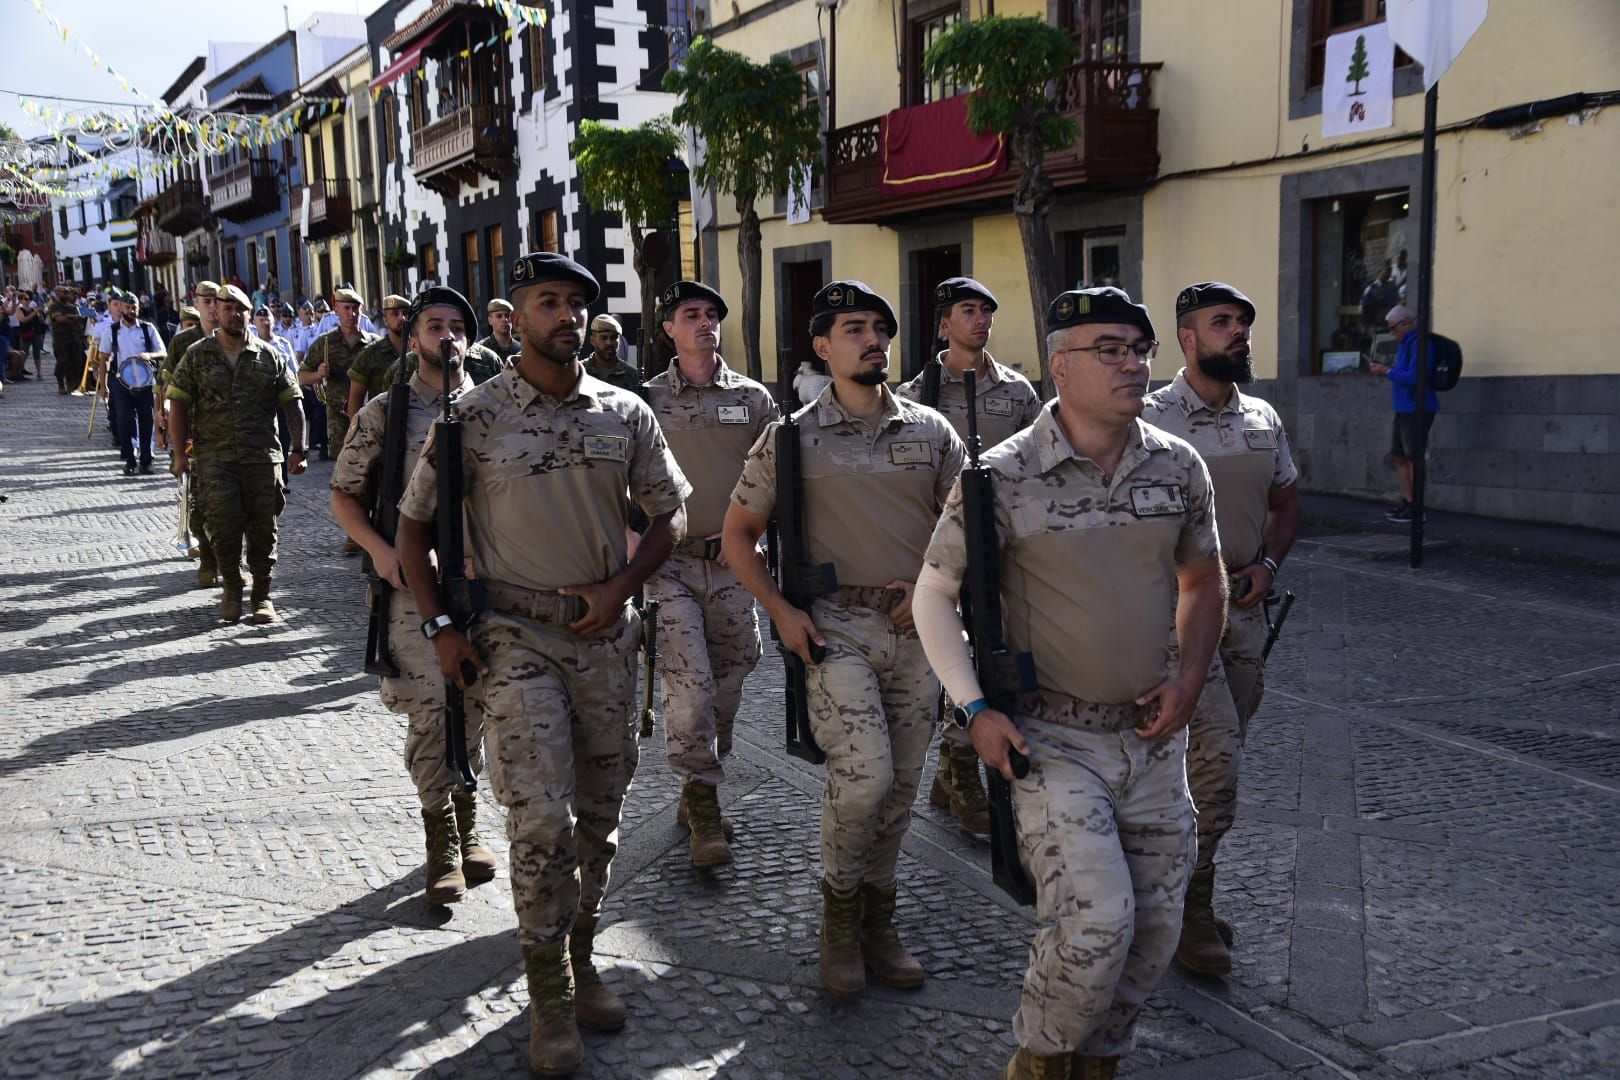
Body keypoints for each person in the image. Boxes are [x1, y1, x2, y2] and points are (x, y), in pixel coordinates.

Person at [912, 286, 1226, 1079]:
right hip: (1052, 742)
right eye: (1109, 350)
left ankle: (1098, 1062)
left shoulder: (1179, 464)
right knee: (1096, 924)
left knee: (1154, 931)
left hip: (1153, 743)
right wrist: (974, 708)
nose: (1133, 365)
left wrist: (1190, 680)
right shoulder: (1001, 475)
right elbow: (934, 594)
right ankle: (1042, 1060)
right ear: (1059, 366)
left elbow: (1204, 579)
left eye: (1140, 350)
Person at [395, 251, 691, 1077]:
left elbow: (670, 514)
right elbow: (414, 528)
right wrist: (440, 627)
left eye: (576, 303)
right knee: (540, 819)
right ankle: (548, 994)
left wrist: (622, 586)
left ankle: (582, 954)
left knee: (598, 818)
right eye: (547, 301)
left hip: (606, 640)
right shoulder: (472, 416)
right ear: (517, 315)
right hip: (513, 638)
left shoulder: (625, 412)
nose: (566, 315)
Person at [723, 280, 964, 1000]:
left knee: (904, 786)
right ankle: (839, 916)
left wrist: (936, 590)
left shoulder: (931, 431)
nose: (872, 340)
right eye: (854, 329)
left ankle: (877, 919)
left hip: (917, 631)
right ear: (822, 347)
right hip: (834, 631)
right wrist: (780, 611)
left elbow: (970, 529)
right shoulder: (791, 437)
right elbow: (739, 535)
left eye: (880, 328)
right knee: (865, 777)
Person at [1141, 282, 1301, 976]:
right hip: (1174, 618)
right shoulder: (1148, 416)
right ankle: (1190, 908)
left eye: (1243, 323)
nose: (1239, 332)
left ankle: (1167, 884)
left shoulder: (1262, 417)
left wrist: (1268, 563)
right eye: (1222, 322)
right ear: (1187, 338)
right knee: (1218, 764)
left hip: (1245, 617)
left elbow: (1286, 502)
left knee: (1204, 763)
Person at [329, 286, 495, 908]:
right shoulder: (385, 412)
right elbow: (343, 495)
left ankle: (470, 825)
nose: (446, 336)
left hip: (487, 583)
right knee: (431, 710)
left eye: (457, 326)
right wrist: (380, 551)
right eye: (433, 325)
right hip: (413, 587)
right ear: (414, 336)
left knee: (476, 705)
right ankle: (441, 842)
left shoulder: (494, 407)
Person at [896, 275, 1042, 838]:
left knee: (993, 651)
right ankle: (959, 768)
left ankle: (953, 767)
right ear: (943, 326)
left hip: (1004, 548)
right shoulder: (914, 397)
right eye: (968, 310)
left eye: (986, 310)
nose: (981, 319)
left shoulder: (1018, 393)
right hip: (939, 552)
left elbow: (1038, 465)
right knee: (950, 654)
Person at [644, 281, 779, 867]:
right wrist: (632, 537)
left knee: (729, 677)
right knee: (691, 684)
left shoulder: (752, 398)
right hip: (669, 565)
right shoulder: (644, 399)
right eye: (690, 314)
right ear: (668, 329)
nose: (704, 322)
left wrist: (755, 536)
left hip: (732, 563)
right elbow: (617, 477)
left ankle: (698, 777)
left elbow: (781, 477)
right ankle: (702, 800)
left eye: (711, 314)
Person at [166, 285, 307, 624]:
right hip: (214, 460)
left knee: (263, 530)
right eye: (227, 308)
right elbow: (179, 404)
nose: (234, 315)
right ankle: (231, 587)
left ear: (249, 314)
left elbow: (293, 403)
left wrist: (299, 449)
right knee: (222, 527)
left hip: (262, 459)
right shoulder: (198, 355)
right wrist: (179, 454)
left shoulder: (269, 356)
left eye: (240, 309)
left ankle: (262, 596)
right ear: (217, 312)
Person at [158, 284, 223, 587]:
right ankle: (208, 558)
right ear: (196, 304)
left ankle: (230, 561)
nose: (212, 307)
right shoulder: (183, 341)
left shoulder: (233, 337)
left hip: (227, 432)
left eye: (216, 301)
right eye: (206, 301)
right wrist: (163, 422)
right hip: (192, 433)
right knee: (199, 500)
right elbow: (167, 386)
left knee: (232, 502)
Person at [1369, 304, 1440, 523]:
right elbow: (1404, 374)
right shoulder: (1405, 345)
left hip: (1417, 409)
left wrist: (1387, 371)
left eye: (1394, 327)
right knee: (1398, 456)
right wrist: (1388, 371)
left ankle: (1417, 507)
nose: (1392, 332)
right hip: (1403, 408)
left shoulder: (1420, 344)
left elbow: (1415, 378)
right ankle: (1409, 501)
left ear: (1407, 323)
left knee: (1413, 458)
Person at [300, 287, 375, 466]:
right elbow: (302, 376)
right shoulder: (325, 343)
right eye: (347, 308)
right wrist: (318, 374)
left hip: (369, 415)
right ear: (337, 311)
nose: (352, 313)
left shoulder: (373, 343)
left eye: (356, 308)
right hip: (339, 420)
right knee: (343, 468)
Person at [99, 291, 166, 476]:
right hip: (121, 381)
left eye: (134, 307)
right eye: (127, 307)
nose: (131, 310)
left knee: (146, 420)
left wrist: (149, 355)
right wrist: (104, 385)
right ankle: (129, 459)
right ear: (121, 308)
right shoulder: (112, 330)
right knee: (124, 419)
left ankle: (146, 460)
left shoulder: (147, 328)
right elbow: (104, 358)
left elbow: (163, 352)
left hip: (145, 381)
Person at [345, 294, 413, 417]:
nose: (402, 318)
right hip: (381, 422)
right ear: (385, 320)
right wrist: (358, 427)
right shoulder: (370, 353)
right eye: (395, 314)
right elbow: (355, 398)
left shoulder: (421, 351)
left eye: (405, 313)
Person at [584, 313, 642, 392]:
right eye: (604, 338)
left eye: (613, 337)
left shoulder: (632, 375)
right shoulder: (580, 371)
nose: (609, 343)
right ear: (592, 340)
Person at [49, 285, 87, 395]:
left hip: (74, 337)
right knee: (62, 361)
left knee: (76, 361)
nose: (67, 295)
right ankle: (61, 384)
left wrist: (70, 317)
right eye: (64, 292)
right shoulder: (54, 306)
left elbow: (84, 315)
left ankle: (72, 384)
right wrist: (74, 318)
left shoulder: (72, 306)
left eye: (67, 293)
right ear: (57, 293)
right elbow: (59, 319)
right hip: (61, 338)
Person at [1359, 265, 1399, 338]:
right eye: (1385, 272)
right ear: (1379, 272)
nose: (1387, 275)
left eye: (1389, 273)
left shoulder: (1391, 289)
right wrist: (1363, 324)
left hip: (1389, 324)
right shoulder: (1371, 288)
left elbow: (1395, 304)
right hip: (1375, 324)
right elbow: (1363, 307)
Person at [477, 297, 522, 362]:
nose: (504, 319)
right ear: (490, 320)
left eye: (507, 316)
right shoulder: (480, 349)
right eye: (499, 316)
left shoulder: (521, 349)